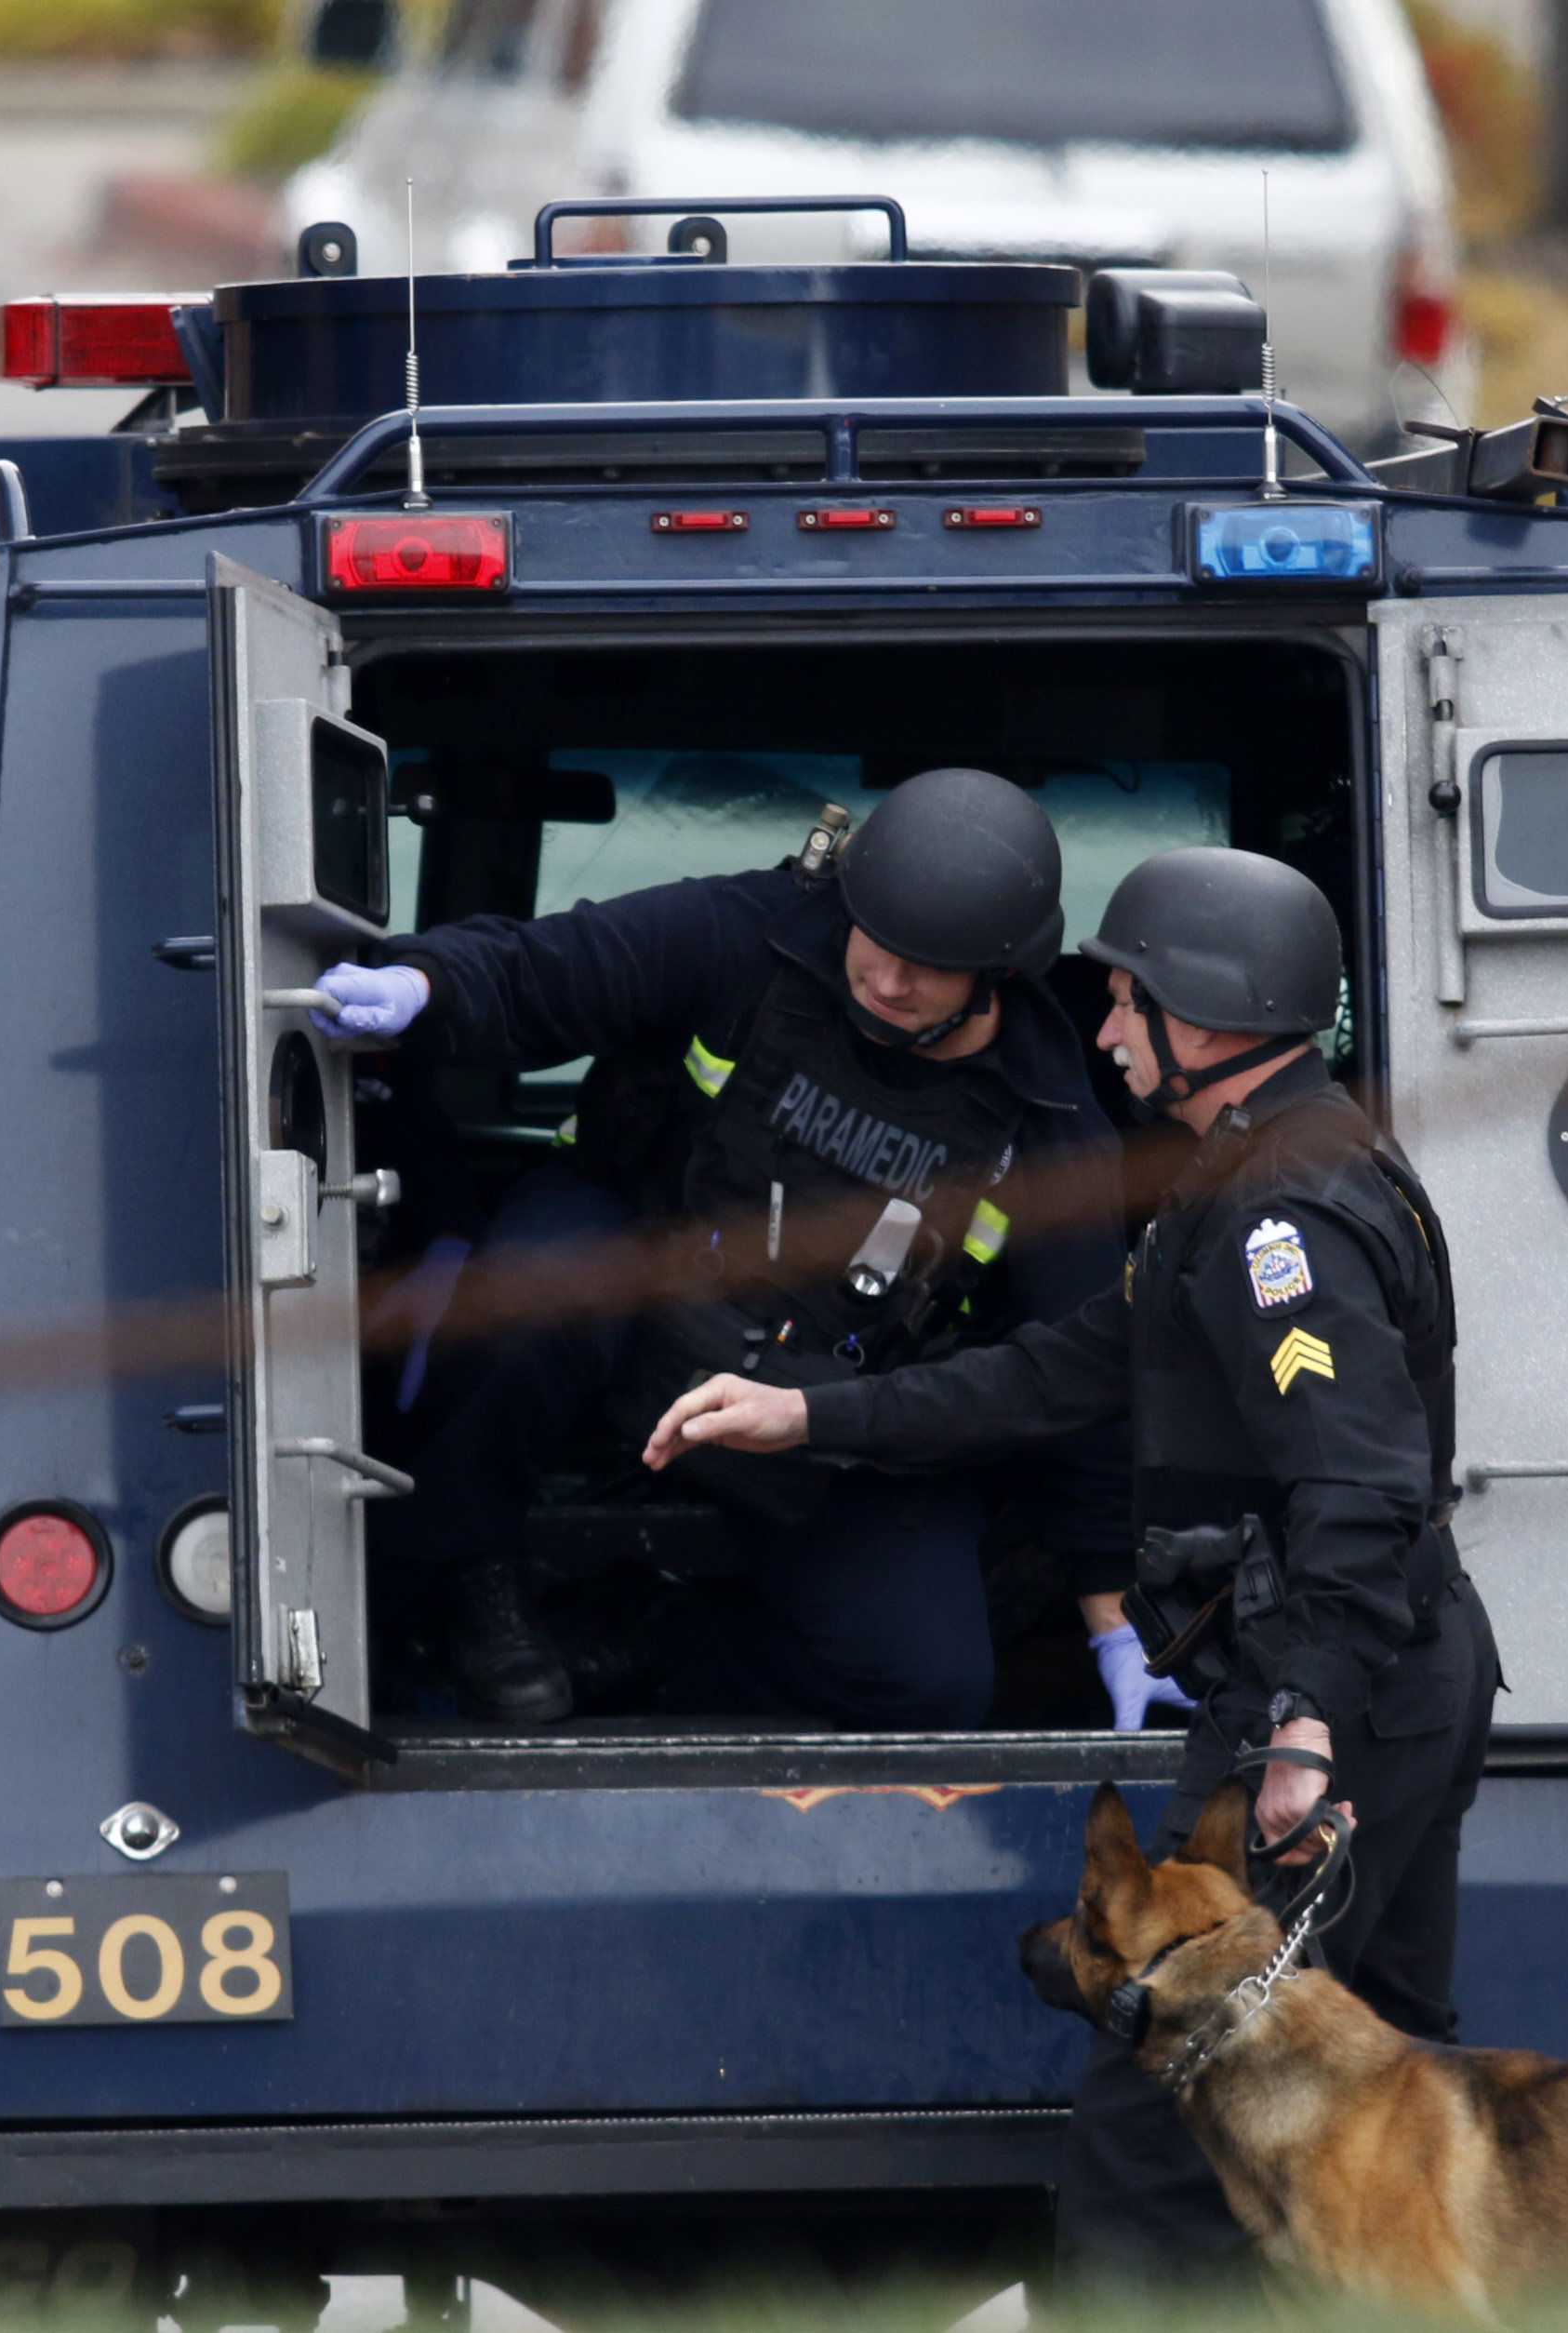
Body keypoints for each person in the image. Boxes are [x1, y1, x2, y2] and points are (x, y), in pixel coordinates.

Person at [642, 844, 1497, 2288]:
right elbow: (1059, 1369)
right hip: (1387, 1670)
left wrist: (1300, 1723)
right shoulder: (1250, 1171)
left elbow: (1358, 1485)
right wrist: (810, 1414)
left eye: (1124, 1002)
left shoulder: (1284, 1217)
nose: (1099, 1033)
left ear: (1211, 1021)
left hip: (1331, 1682)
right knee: (1376, 2080)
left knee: (1161, 2107)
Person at [307, 766, 1130, 1729]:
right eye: (879, 939)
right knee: (530, 1288)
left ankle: (652, 1640)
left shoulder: (1045, 1119)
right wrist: (426, 983)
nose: (888, 978)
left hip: (827, 1397)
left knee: (924, 1681)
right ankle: (463, 1577)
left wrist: (1112, 1616)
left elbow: (1079, 1375)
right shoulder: (758, 932)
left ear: (1000, 972)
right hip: (639, 1276)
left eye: (929, 965)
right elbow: (550, 970)